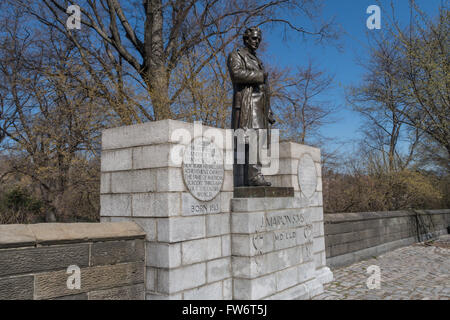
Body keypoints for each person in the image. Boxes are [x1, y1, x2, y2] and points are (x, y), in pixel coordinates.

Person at [227, 26, 275, 187]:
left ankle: (256, 174)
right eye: (254, 38)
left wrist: (268, 109)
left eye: (259, 40)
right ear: (246, 38)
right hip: (248, 103)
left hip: (260, 105)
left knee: (260, 140)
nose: (257, 42)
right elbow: (236, 74)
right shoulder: (236, 55)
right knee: (251, 139)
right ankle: (253, 176)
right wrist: (260, 76)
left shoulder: (257, 60)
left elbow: (264, 88)